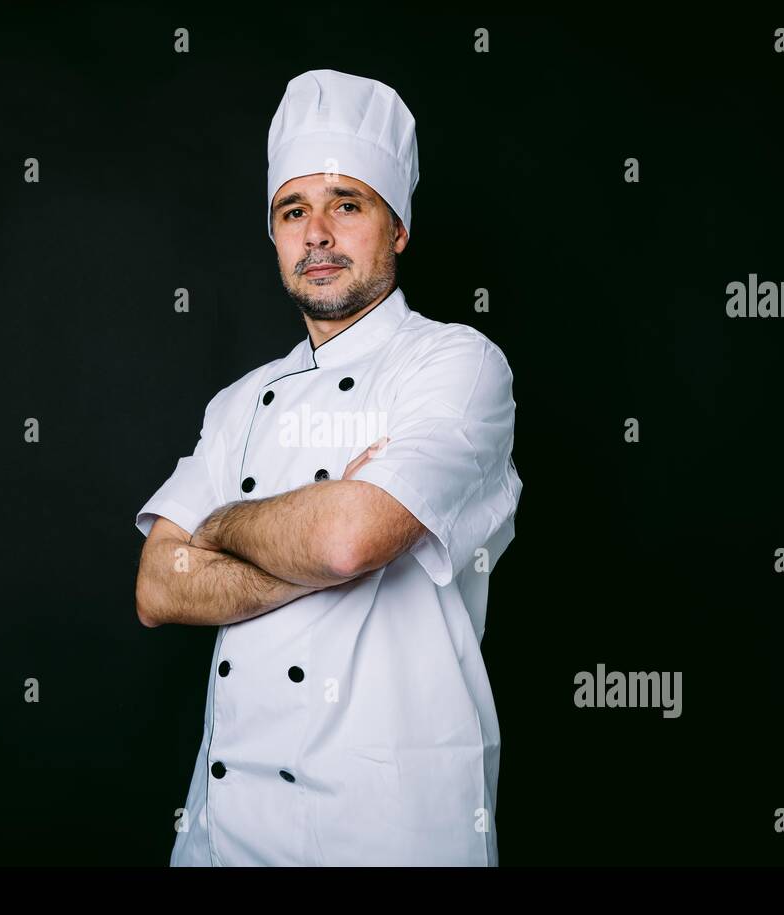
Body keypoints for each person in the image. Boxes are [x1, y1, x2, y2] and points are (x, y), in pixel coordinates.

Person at [134, 68, 523, 866]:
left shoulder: (458, 366)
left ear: (398, 228)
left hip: (389, 830)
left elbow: (347, 540)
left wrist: (220, 531)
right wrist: (309, 526)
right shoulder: (239, 403)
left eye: (347, 204)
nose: (316, 233)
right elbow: (157, 587)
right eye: (293, 210)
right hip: (226, 837)